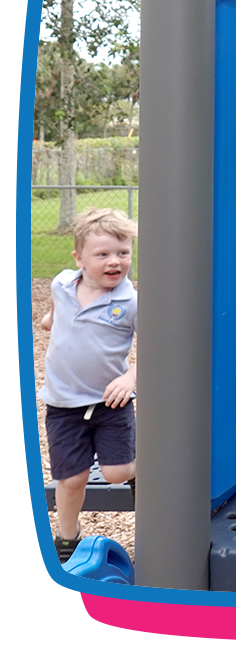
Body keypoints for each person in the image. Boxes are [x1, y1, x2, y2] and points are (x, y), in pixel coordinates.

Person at [38, 208, 138, 562]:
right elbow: (55, 310)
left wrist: (130, 377)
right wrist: (51, 320)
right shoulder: (62, 283)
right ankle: (67, 537)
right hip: (63, 404)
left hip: (110, 403)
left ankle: (139, 469)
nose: (115, 262)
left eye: (123, 253)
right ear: (79, 258)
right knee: (71, 478)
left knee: (116, 473)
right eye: (103, 254)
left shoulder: (131, 301)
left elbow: (157, 347)